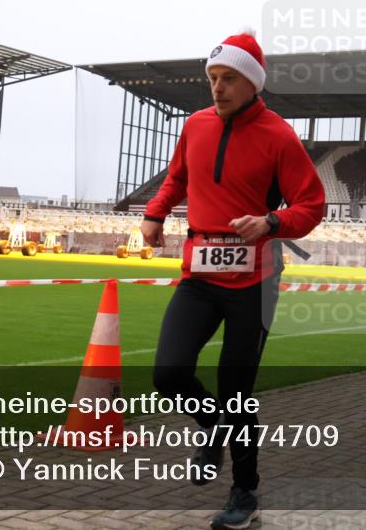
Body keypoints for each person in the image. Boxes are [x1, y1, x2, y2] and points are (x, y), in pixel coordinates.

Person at [143, 30, 325, 529]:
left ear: (251, 84)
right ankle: (211, 425)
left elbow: (312, 205)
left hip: (255, 282)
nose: (217, 88)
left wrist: (270, 223)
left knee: (236, 389)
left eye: (227, 79)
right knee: (169, 373)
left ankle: (245, 492)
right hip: (199, 274)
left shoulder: (279, 136)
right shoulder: (195, 125)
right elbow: (178, 176)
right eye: (212, 78)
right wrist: (155, 214)